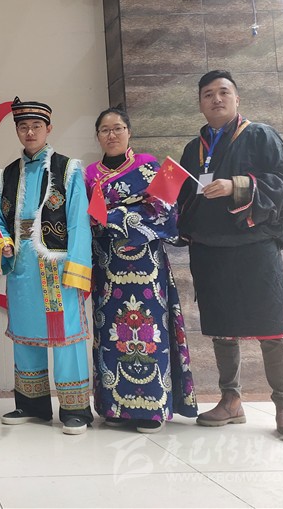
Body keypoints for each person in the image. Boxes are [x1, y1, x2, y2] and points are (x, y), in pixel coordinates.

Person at [177, 70, 283, 442]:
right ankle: (231, 400)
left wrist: (238, 185)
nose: (216, 99)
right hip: (209, 249)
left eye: (223, 92)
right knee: (222, 328)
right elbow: (184, 197)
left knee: (272, 326)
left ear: (237, 98)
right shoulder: (194, 148)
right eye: (208, 94)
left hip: (254, 247)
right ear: (200, 104)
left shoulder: (261, 136)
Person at [84, 107, 197, 433]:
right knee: (110, 332)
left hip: (147, 264)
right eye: (105, 130)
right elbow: (87, 216)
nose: (112, 135)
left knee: (151, 330)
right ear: (97, 136)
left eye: (118, 128)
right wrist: (124, 212)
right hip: (108, 264)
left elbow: (166, 212)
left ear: (129, 132)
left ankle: (151, 408)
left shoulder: (148, 166)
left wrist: (116, 216)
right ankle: (114, 406)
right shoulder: (89, 175)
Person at [0, 98, 93, 434]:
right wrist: (2, 240)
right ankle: (31, 405)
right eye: (23, 127)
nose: (29, 132)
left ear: (48, 129)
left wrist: (77, 268)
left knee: (66, 338)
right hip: (23, 268)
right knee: (26, 336)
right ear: (17, 131)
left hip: (58, 268)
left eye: (36, 126)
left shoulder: (68, 169)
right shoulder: (7, 175)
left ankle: (75, 408)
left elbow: (78, 221)